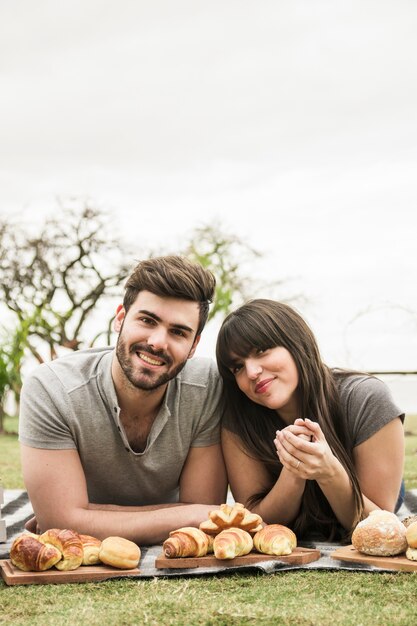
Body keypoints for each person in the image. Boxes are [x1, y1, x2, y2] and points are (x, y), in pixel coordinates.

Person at [19, 255, 227, 545]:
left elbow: (205, 513)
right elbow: (199, 515)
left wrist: (81, 517)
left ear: (194, 346)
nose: (157, 342)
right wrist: (188, 515)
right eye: (147, 320)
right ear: (120, 319)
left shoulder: (207, 385)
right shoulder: (51, 388)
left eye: (178, 332)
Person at [216, 299, 405, 541]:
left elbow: (378, 527)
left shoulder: (367, 398)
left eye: (261, 351)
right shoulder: (237, 420)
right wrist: (294, 470)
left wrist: (328, 472)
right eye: (237, 367)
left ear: (295, 343)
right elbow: (258, 521)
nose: (251, 372)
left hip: (369, 491)